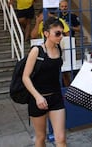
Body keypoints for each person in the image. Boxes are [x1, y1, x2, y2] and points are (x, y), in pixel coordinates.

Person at [22, 17, 67, 147]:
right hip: (38, 100)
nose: (61, 36)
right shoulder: (37, 51)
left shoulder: (59, 49)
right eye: (57, 33)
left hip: (56, 98)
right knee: (41, 138)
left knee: (61, 138)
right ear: (46, 34)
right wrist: (37, 97)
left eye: (62, 33)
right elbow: (25, 77)